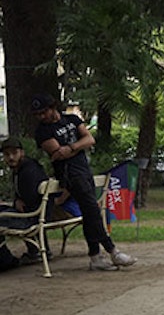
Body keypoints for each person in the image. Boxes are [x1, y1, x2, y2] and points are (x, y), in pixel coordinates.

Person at [31, 94, 137, 271]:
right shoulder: (42, 132)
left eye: (43, 112)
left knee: (89, 213)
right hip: (70, 175)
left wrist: (72, 147)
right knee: (92, 210)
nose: (41, 117)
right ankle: (112, 251)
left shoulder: (72, 119)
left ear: (52, 107)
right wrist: (79, 145)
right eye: (37, 114)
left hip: (84, 170)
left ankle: (95, 257)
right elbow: (58, 153)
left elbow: (89, 139)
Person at [0, 137, 53, 269]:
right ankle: (38, 251)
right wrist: (17, 201)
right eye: (7, 154)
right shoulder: (24, 168)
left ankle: (5, 261)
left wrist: (16, 204)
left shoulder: (28, 172)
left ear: (22, 153)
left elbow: (28, 203)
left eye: (14, 153)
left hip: (33, 218)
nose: (11, 157)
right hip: (39, 214)